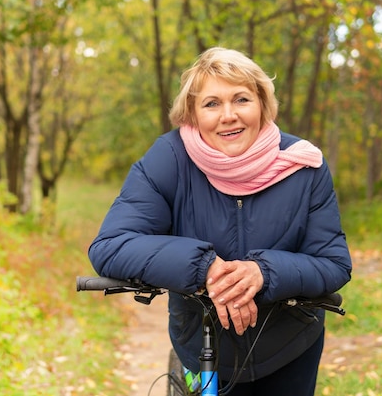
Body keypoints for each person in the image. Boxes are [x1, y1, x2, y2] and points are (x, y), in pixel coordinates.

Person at [88, 47, 352, 396]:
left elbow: (333, 263)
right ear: (193, 114)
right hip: (200, 344)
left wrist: (262, 273)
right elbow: (111, 245)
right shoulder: (169, 159)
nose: (228, 115)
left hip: (289, 347)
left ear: (262, 104)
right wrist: (205, 268)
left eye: (241, 99)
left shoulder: (302, 164)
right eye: (211, 104)